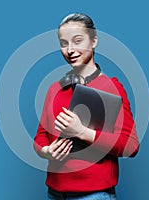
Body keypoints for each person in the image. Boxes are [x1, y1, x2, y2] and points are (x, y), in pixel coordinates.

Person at [34, 13, 139, 200]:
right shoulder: (54, 89)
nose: (70, 50)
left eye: (77, 41)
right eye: (63, 43)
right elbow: (41, 137)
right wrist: (46, 152)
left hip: (93, 195)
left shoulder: (112, 87)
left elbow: (130, 146)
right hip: (54, 194)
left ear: (94, 41)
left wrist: (81, 131)